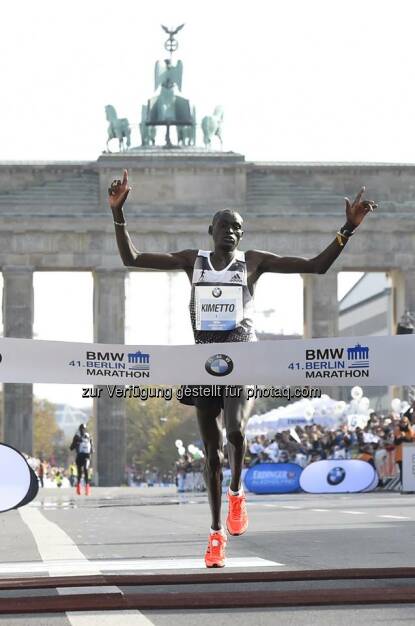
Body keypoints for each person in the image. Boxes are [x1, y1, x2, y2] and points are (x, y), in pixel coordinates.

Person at [109, 169, 376, 568]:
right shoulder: (191, 261)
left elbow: (316, 266)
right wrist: (118, 213)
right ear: (211, 229)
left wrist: (347, 230)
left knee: (235, 431)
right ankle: (216, 533)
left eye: (238, 228)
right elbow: (131, 258)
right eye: (225, 226)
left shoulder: (253, 263)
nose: (231, 232)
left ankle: (237, 492)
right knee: (212, 452)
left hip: (242, 355)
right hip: (204, 361)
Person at [70, 423, 94, 496]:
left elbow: (71, 447)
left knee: (83, 471)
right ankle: (83, 488)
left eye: (83, 429)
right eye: (82, 429)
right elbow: (71, 448)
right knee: (83, 472)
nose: (83, 430)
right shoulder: (82, 436)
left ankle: (83, 489)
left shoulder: (83, 436)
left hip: (83, 456)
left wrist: (76, 445)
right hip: (83, 456)